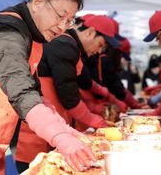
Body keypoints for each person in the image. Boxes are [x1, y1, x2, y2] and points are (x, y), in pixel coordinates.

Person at [0, 0, 95, 174]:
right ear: (38, 2)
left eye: (69, 21)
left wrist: (65, 130)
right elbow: (22, 92)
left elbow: (35, 93)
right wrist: (59, 136)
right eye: (60, 16)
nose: (62, 27)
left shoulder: (31, 35)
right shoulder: (6, 32)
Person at [14, 15, 120, 172]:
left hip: (55, 124)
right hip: (39, 130)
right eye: (100, 44)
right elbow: (69, 97)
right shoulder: (65, 45)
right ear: (90, 33)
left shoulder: (71, 47)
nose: (99, 51)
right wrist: (96, 121)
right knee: (39, 167)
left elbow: (81, 86)